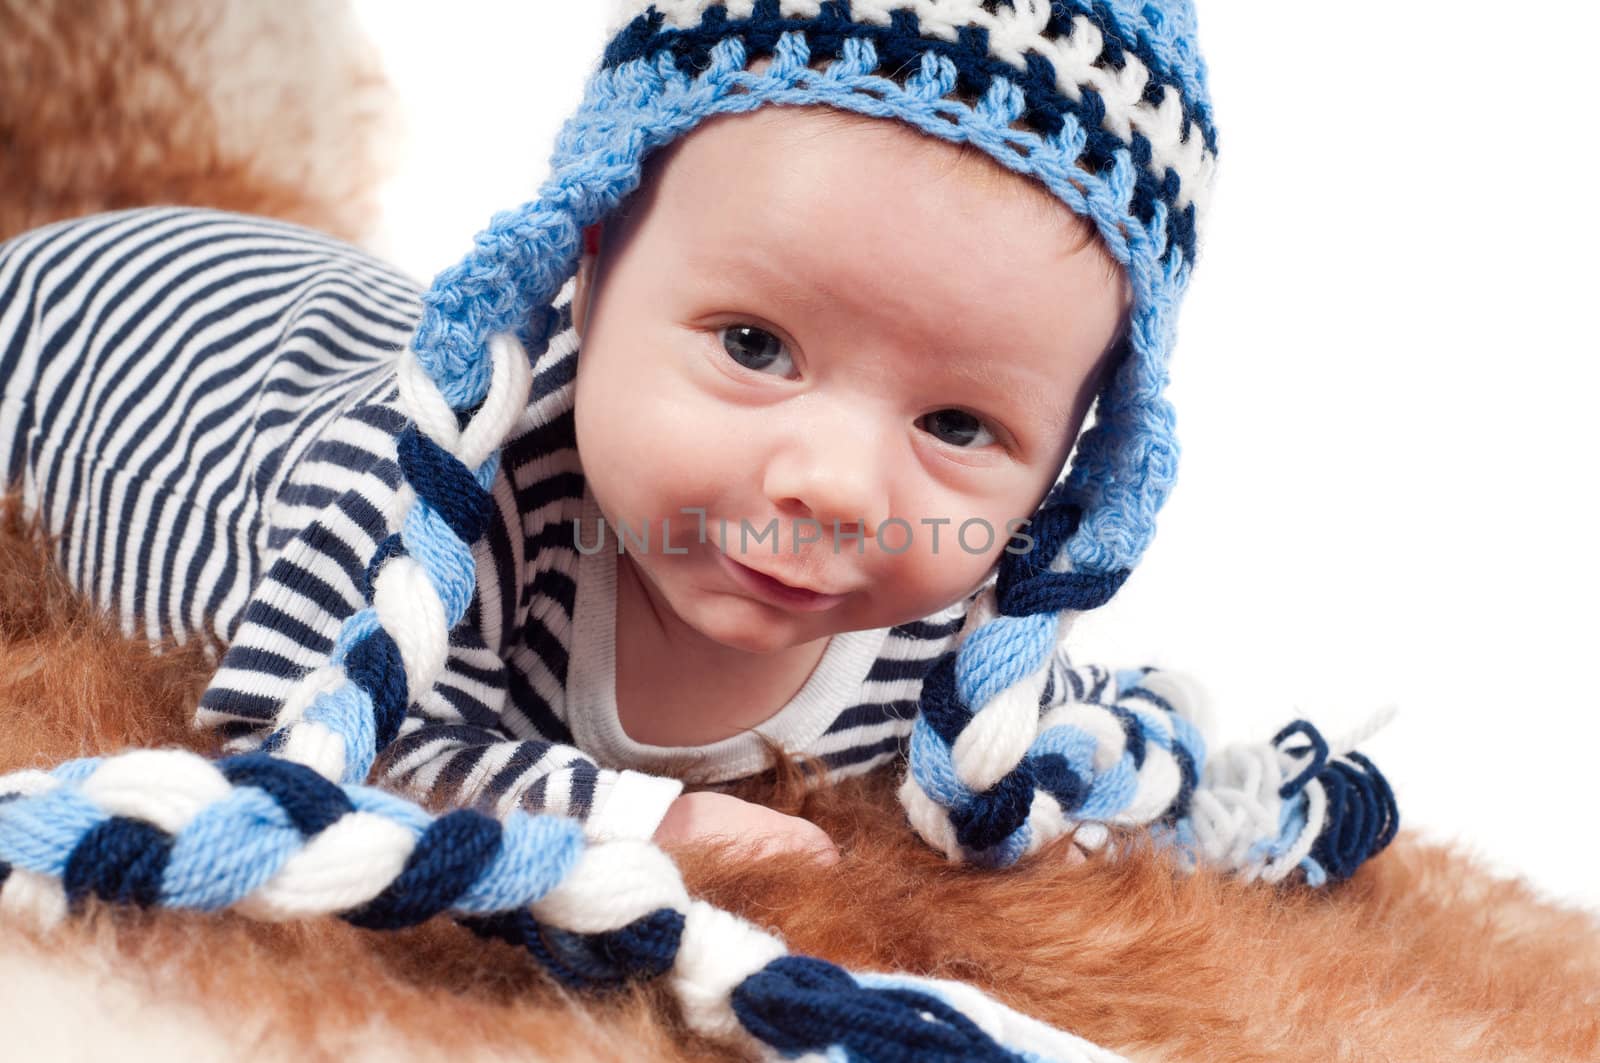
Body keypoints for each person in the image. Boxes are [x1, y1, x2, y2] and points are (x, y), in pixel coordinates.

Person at [0, 1, 1395, 881]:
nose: (837, 485)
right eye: (752, 347)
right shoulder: (431, 497)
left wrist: (1223, 794)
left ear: (1083, 454)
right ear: (589, 269)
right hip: (106, 330)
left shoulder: (943, 634)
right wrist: (639, 821)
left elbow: (1070, 731)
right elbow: (297, 727)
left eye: (960, 424)